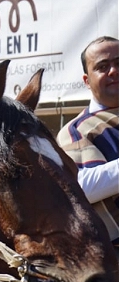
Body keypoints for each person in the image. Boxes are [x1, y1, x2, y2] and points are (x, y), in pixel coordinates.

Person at [57, 37, 118, 244]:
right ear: (87, 80)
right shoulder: (77, 130)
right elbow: (81, 187)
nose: (113, 71)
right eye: (103, 66)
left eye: (119, 63)